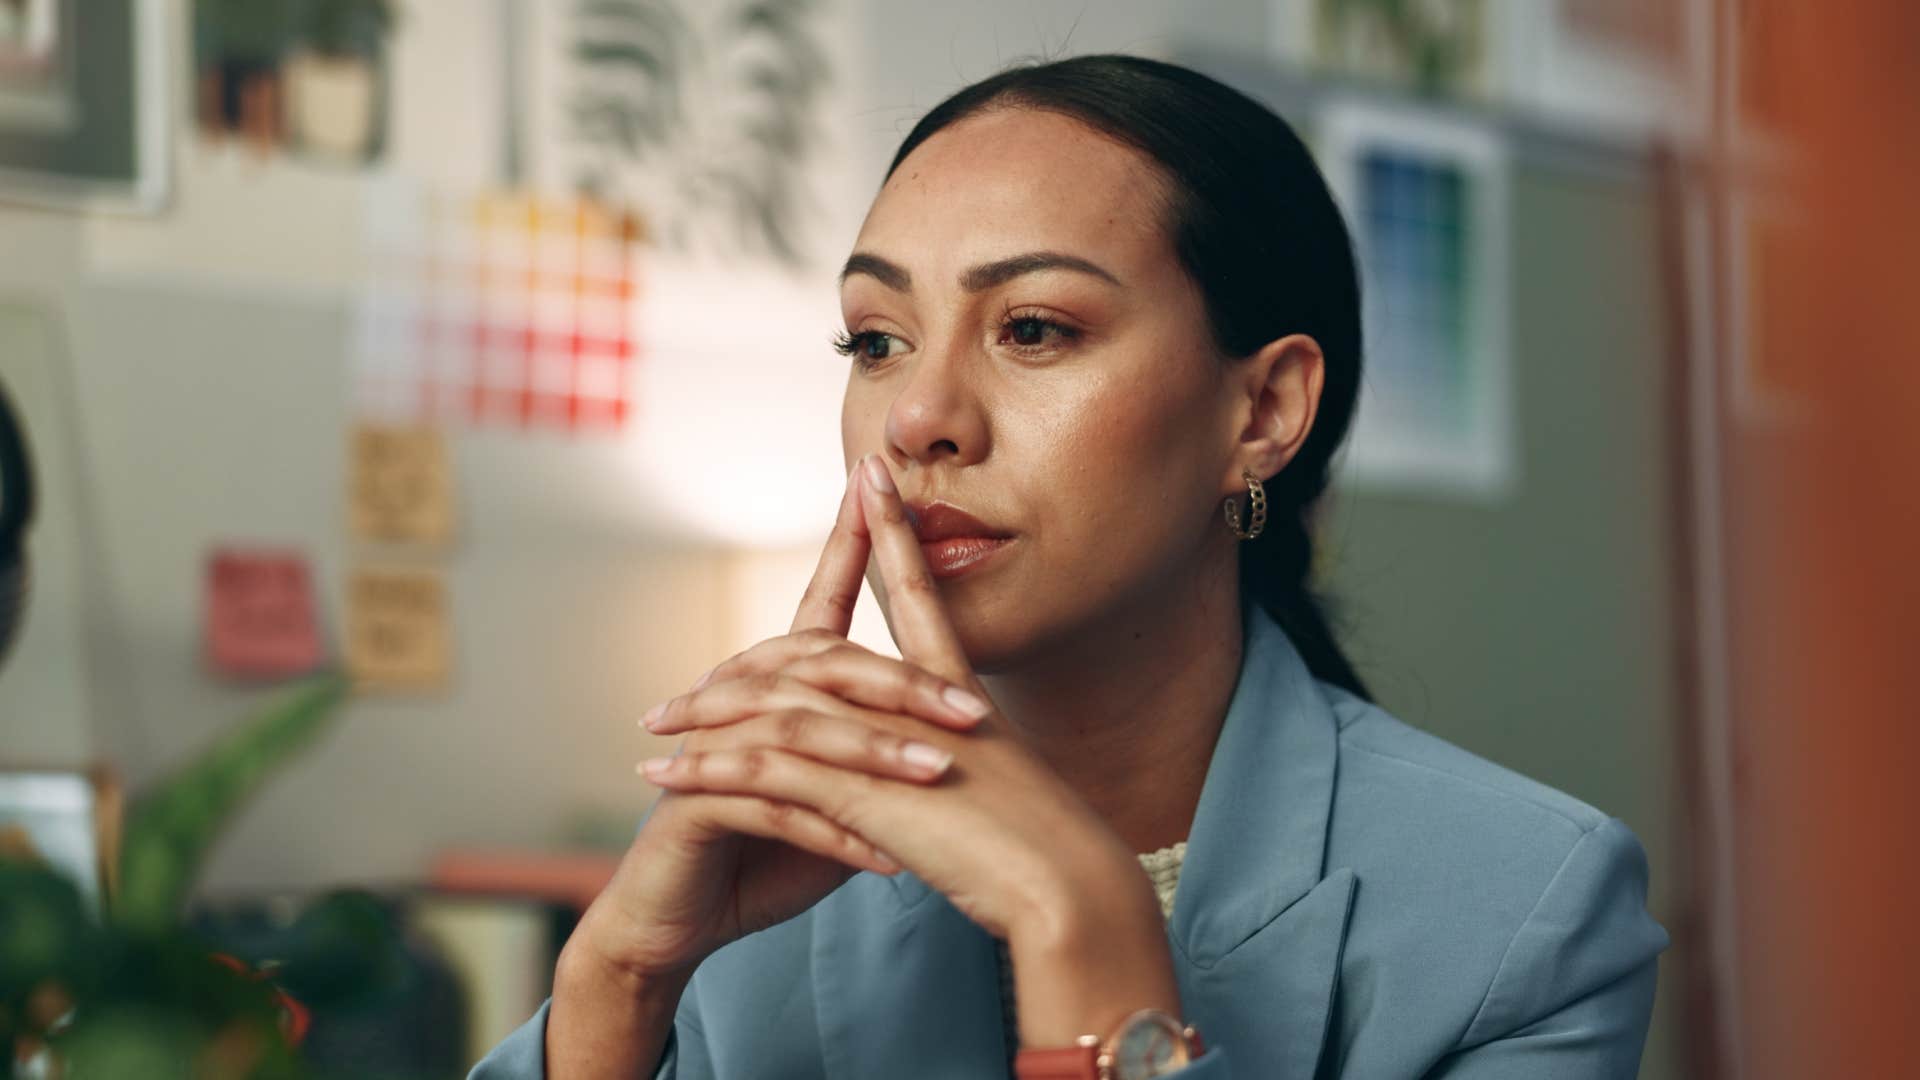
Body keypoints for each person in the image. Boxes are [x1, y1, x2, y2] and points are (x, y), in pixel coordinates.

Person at [473, 53, 1668, 1079]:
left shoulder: (1526, 908)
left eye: (1034, 328)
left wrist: (1082, 924)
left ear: (1262, 411)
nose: (920, 417)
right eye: (877, 341)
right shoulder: (759, 857)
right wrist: (616, 985)